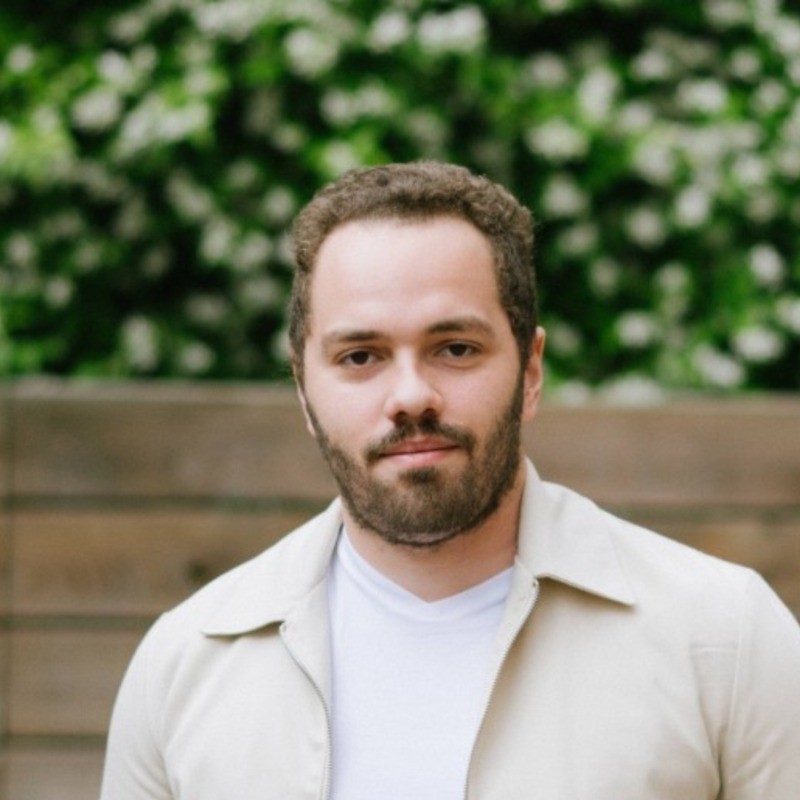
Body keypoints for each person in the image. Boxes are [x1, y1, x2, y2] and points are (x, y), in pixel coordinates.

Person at [100, 162, 800, 800]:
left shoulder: (725, 639)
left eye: (455, 348)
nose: (411, 396)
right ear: (303, 391)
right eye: (360, 356)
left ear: (530, 370)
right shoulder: (183, 664)